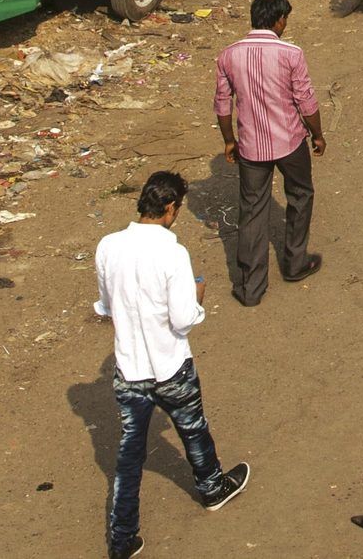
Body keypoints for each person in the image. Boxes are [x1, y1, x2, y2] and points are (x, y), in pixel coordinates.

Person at [96, 172, 251, 559]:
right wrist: (198, 297)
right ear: (169, 208)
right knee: (194, 429)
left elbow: (106, 306)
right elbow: (183, 319)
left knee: (129, 456)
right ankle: (213, 488)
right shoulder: (173, 253)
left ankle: (122, 537)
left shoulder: (108, 246)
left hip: (130, 369)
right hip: (169, 365)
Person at [215, 0, 323, 305]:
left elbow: (222, 106)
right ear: (279, 20)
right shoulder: (291, 54)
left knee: (252, 211)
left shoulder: (228, 56)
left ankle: (251, 287)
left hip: (250, 146)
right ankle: (295, 262)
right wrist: (317, 135)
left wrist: (228, 141)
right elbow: (306, 100)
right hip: (290, 142)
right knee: (301, 195)